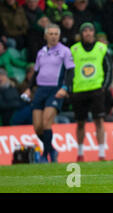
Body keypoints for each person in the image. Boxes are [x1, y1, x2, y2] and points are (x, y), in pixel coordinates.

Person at [22, 23, 75, 163]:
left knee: (46, 123)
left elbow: (70, 71)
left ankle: (46, 156)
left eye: (56, 34)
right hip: (41, 90)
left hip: (55, 89)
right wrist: (29, 87)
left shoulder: (65, 51)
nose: (53, 36)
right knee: (37, 127)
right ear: (45, 36)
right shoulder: (41, 52)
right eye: (50, 34)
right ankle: (51, 149)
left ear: (59, 35)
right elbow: (36, 72)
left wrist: (65, 87)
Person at [60, 22, 113, 162]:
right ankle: (80, 152)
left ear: (94, 33)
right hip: (79, 90)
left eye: (90, 31)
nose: (88, 33)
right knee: (80, 122)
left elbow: (109, 69)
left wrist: (104, 87)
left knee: (99, 120)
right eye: (85, 31)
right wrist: (69, 87)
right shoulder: (74, 49)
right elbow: (68, 70)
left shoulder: (101, 48)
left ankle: (101, 153)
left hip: (96, 89)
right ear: (81, 34)